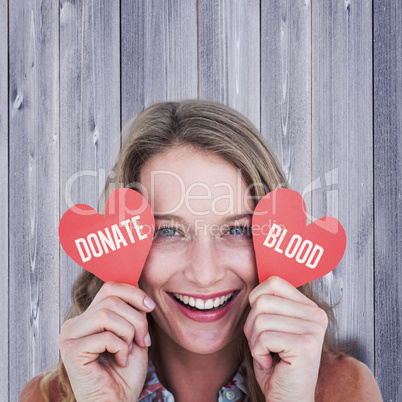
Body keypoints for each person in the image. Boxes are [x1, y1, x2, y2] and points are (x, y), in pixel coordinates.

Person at [21, 100, 382, 401]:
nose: (205, 273)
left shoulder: (344, 389)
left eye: (237, 229)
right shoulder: (48, 396)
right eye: (168, 232)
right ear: (122, 241)